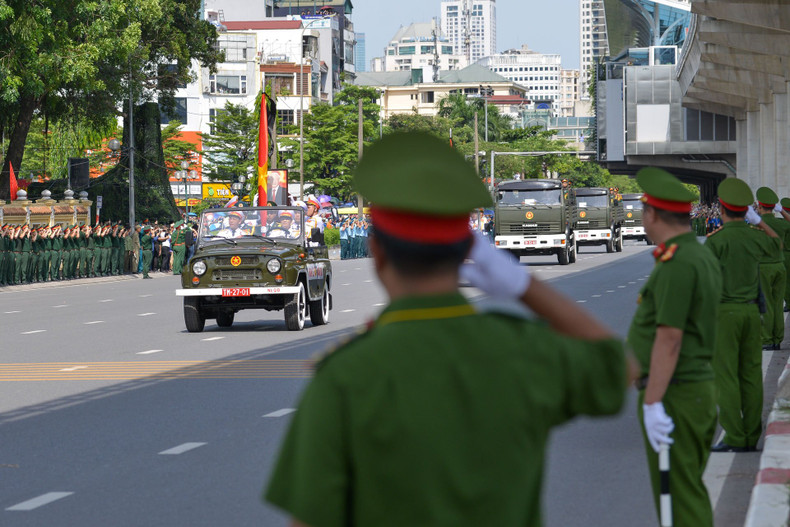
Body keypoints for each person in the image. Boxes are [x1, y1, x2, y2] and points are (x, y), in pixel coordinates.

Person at [264, 132, 637, 527]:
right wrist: (524, 286)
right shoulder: (522, 349)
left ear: (377, 252)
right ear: (467, 252)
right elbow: (622, 368)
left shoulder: (344, 377)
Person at [627, 168, 722, 527]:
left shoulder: (678, 262)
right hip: (687, 389)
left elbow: (669, 338)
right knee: (685, 492)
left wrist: (652, 402)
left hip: (676, 393)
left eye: (643, 212)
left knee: (679, 500)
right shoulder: (695, 255)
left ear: (652, 214)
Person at [705, 178, 780, 452]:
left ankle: (735, 436)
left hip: (724, 313)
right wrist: (759, 223)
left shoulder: (716, 241)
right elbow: (777, 245)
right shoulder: (755, 236)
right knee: (750, 374)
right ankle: (751, 434)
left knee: (726, 375)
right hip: (751, 313)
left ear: (722, 208)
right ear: (746, 211)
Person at [754, 187, 789, 350]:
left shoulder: (757, 224)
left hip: (764, 267)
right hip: (779, 265)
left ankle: (767, 339)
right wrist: (782, 211)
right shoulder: (781, 223)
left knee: (766, 303)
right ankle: (777, 338)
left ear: (760, 207)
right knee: (777, 303)